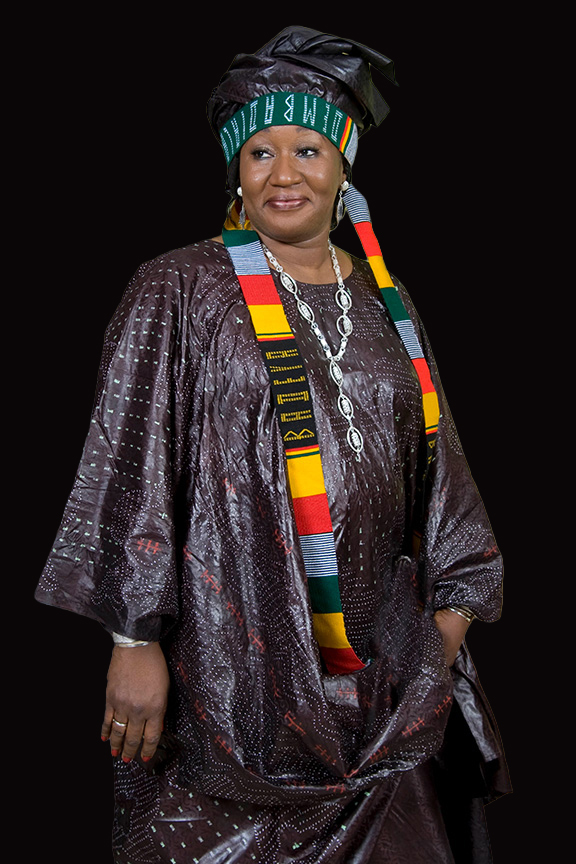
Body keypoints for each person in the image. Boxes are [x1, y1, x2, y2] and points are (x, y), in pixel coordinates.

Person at [35, 26, 511, 863]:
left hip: (380, 692)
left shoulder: (388, 302)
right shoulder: (179, 287)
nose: (283, 174)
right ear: (236, 171)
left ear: (344, 166)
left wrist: (440, 634)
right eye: (259, 152)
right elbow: (130, 462)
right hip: (227, 686)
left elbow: (442, 476)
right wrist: (133, 641)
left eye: (307, 149)